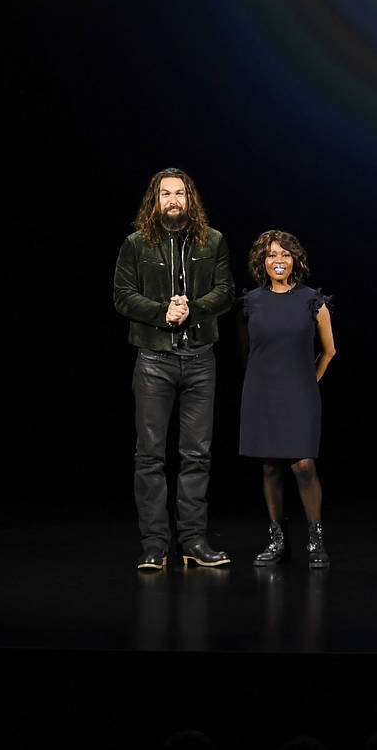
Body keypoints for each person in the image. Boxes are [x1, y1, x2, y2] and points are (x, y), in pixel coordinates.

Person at [114, 168, 238, 569]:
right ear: (155, 200)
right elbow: (122, 296)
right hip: (153, 361)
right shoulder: (135, 244)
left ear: (190, 200)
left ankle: (193, 541)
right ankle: (154, 544)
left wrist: (193, 309)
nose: (172, 200)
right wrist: (161, 313)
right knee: (149, 457)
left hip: (200, 360)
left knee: (196, 456)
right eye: (165, 194)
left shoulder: (213, 240)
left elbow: (226, 291)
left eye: (179, 194)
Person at [238, 230, 336, 567]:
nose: (278, 260)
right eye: (271, 255)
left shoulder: (312, 300)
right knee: (269, 467)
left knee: (304, 466)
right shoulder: (250, 302)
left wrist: (309, 382)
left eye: (285, 254)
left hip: (300, 395)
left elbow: (329, 351)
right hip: (261, 394)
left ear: (295, 260)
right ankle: (278, 542)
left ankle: (315, 542)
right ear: (261, 262)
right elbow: (248, 351)